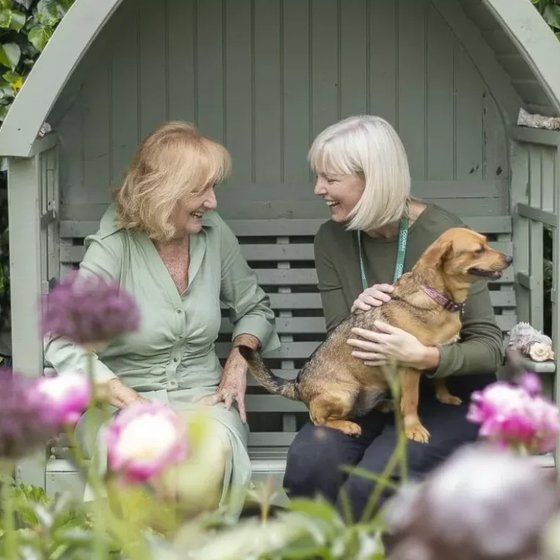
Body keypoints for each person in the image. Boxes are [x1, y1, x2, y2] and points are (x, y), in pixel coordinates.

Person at [45, 121, 280, 513]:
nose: (213, 202)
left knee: (207, 455)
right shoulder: (114, 246)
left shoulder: (214, 235)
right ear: (164, 191)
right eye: (200, 190)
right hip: (123, 405)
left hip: (205, 401)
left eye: (213, 187)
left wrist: (239, 361)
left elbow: (255, 308)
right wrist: (132, 402)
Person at [282, 115, 503, 521]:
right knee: (311, 464)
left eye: (329, 179)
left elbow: (490, 346)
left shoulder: (444, 234)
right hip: (372, 390)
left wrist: (428, 358)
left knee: (374, 481)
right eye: (318, 178)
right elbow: (338, 337)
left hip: (446, 392)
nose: (319, 190)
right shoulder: (331, 238)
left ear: (372, 179)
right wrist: (355, 311)